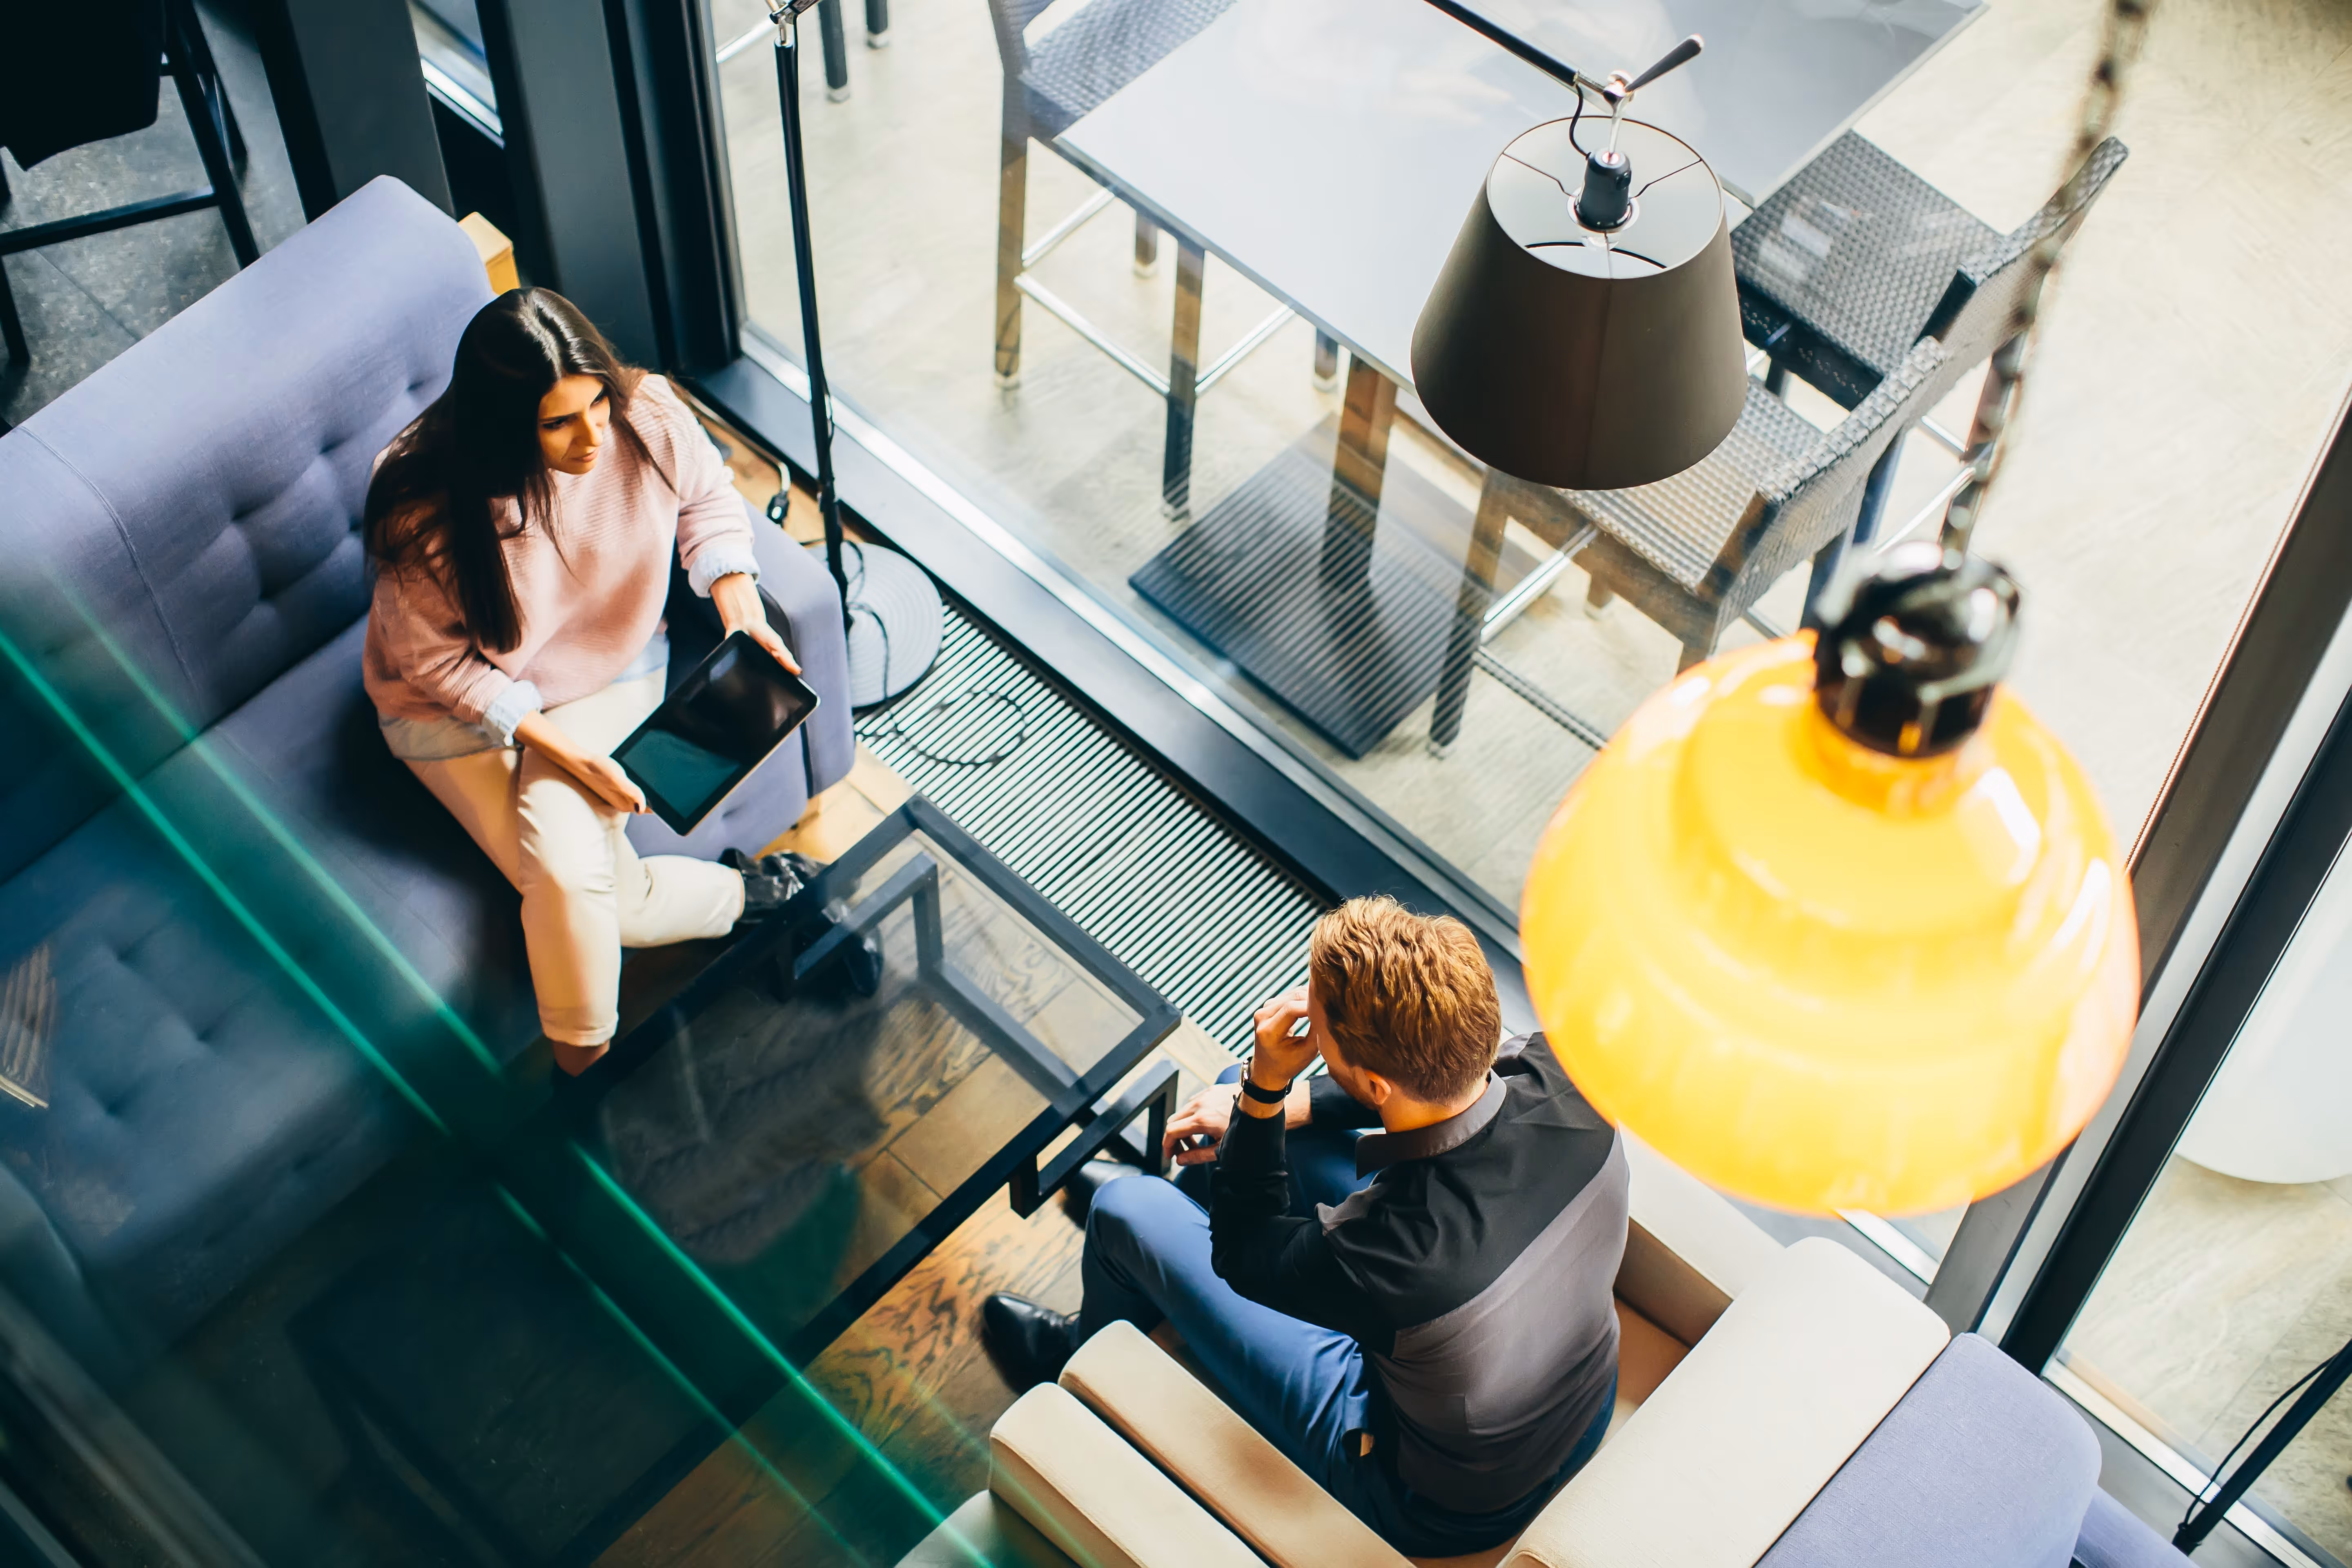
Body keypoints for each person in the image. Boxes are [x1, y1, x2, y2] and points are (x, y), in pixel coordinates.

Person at [981, 897, 1628, 1557]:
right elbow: (1432, 1085)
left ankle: (1079, 1349)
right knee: (1242, 1106)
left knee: (1125, 1211)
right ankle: (1163, 1250)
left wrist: (1264, 1091)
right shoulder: (1571, 1072)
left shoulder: (1390, 1253)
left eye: (1318, 1033)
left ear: (1376, 1082)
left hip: (1433, 1496)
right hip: (1577, 1393)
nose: (1301, 1031)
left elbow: (1243, 1253)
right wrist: (1276, 1102)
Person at [363, 288, 805, 1076]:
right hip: (455, 712)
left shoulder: (649, 415)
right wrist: (559, 751)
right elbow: (434, 665)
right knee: (588, 884)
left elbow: (706, 498)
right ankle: (603, 1053)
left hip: (605, 674)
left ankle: (583, 1086)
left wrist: (740, 609)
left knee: (573, 878)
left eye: (597, 401)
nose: (593, 435)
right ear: (505, 427)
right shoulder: (422, 501)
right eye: (559, 422)